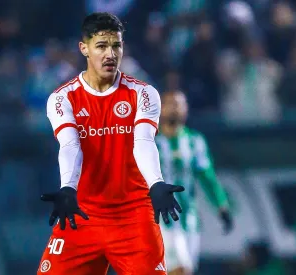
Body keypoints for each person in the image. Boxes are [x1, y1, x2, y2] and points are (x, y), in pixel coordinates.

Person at [38, 12, 185, 275]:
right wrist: (68, 187)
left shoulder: (143, 93)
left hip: (134, 216)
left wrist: (156, 182)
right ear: (84, 48)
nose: (110, 54)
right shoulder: (63, 99)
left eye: (116, 45)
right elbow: (71, 145)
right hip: (81, 213)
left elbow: (142, 141)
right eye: (101, 46)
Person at [156, 90, 233, 275]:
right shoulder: (150, 141)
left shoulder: (194, 141)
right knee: (179, 269)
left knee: (184, 270)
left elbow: (208, 177)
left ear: (186, 109)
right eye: (169, 104)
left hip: (189, 218)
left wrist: (222, 205)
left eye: (179, 104)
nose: (174, 108)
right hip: (159, 219)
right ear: (160, 109)